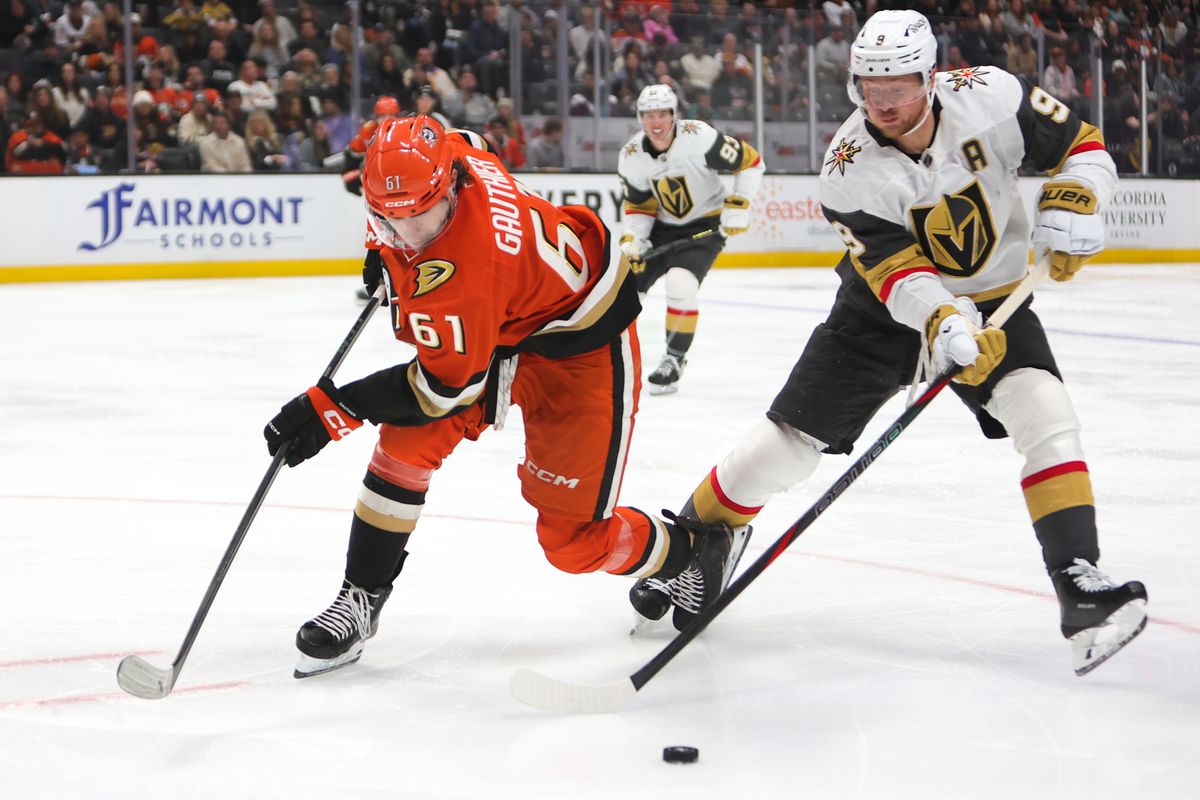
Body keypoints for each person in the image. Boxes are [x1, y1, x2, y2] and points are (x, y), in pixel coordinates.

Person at [630, 9, 1148, 676]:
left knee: (1044, 411)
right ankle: (693, 546)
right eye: (870, 89)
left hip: (994, 299)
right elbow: (895, 272)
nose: (884, 103)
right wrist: (942, 321)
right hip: (879, 313)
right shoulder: (847, 166)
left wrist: (1076, 198)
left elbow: (1082, 145)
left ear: (929, 77)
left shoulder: (992, 95)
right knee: (779, 450)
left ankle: (1079, 583)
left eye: (898, 87)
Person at [262, 115, 749, 676]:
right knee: (404, 446)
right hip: (511, 319)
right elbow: (468, 139)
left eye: (419, 218)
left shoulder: (465, 272)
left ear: (449, 190)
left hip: (580, 343)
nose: (408, 233)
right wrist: (386, 242)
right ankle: (362, 595)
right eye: (387, 218)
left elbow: (439, 388)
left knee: (573, 543)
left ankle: (690, 551)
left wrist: (334, 408)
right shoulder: (446, 156)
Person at [616, 84, 765, 395]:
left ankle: (673, 359)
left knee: (680, 284)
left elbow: (751, 162)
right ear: (640, 118)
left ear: (674, 115)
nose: (656, 123)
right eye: (648, 115)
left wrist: (739, 202)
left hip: (705, 224)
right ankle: (611, 359)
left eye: (662, 114)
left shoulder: (700, 137)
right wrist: (635, 238)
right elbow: (639, 205)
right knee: (625, 288)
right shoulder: (631, 156)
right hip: (661, 227)